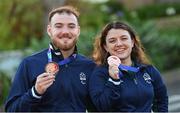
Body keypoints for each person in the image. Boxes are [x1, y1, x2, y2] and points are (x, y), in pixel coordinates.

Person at [5, 5, 96, 112]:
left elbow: (101, 107)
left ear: (78, 31)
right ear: (49, 30)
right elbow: (11, 110)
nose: (65, 31)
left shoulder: (89, 66)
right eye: (58, 26)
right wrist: (35, 92)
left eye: (71, 26)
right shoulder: (29, 64)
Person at [89, 21, 168, 112]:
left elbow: (162, 99)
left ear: (132, 42)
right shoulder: (100, 74)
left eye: (124, 38)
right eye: (112, 41)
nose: (119, 44)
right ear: (106, 47)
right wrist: (113, 81)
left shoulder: (147, 69)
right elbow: (101, 107)